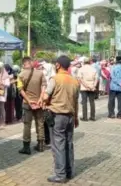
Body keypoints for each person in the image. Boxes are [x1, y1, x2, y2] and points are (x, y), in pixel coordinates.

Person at [44, 55, 79, 183]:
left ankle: (60, 174)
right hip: (70, 116)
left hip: (57, 116)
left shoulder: (55, 79)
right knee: (69, 144)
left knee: (58, 145)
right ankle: (69, 171)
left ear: (58, 65)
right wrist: (76, 118)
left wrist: (44, 99)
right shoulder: (74, 81)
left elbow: (45, 97)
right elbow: (76, 102)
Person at [17, 57, 47, 154]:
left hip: (27, 104)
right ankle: (41, 145)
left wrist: (29, 101)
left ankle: (26, 147)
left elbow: (21, 90)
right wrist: (40, 98)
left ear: (24, 64)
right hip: (39, 103)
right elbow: (44, 86)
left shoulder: (21, 75)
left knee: (27, 125)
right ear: (31, 63)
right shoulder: (40, 73)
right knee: (40, 123)